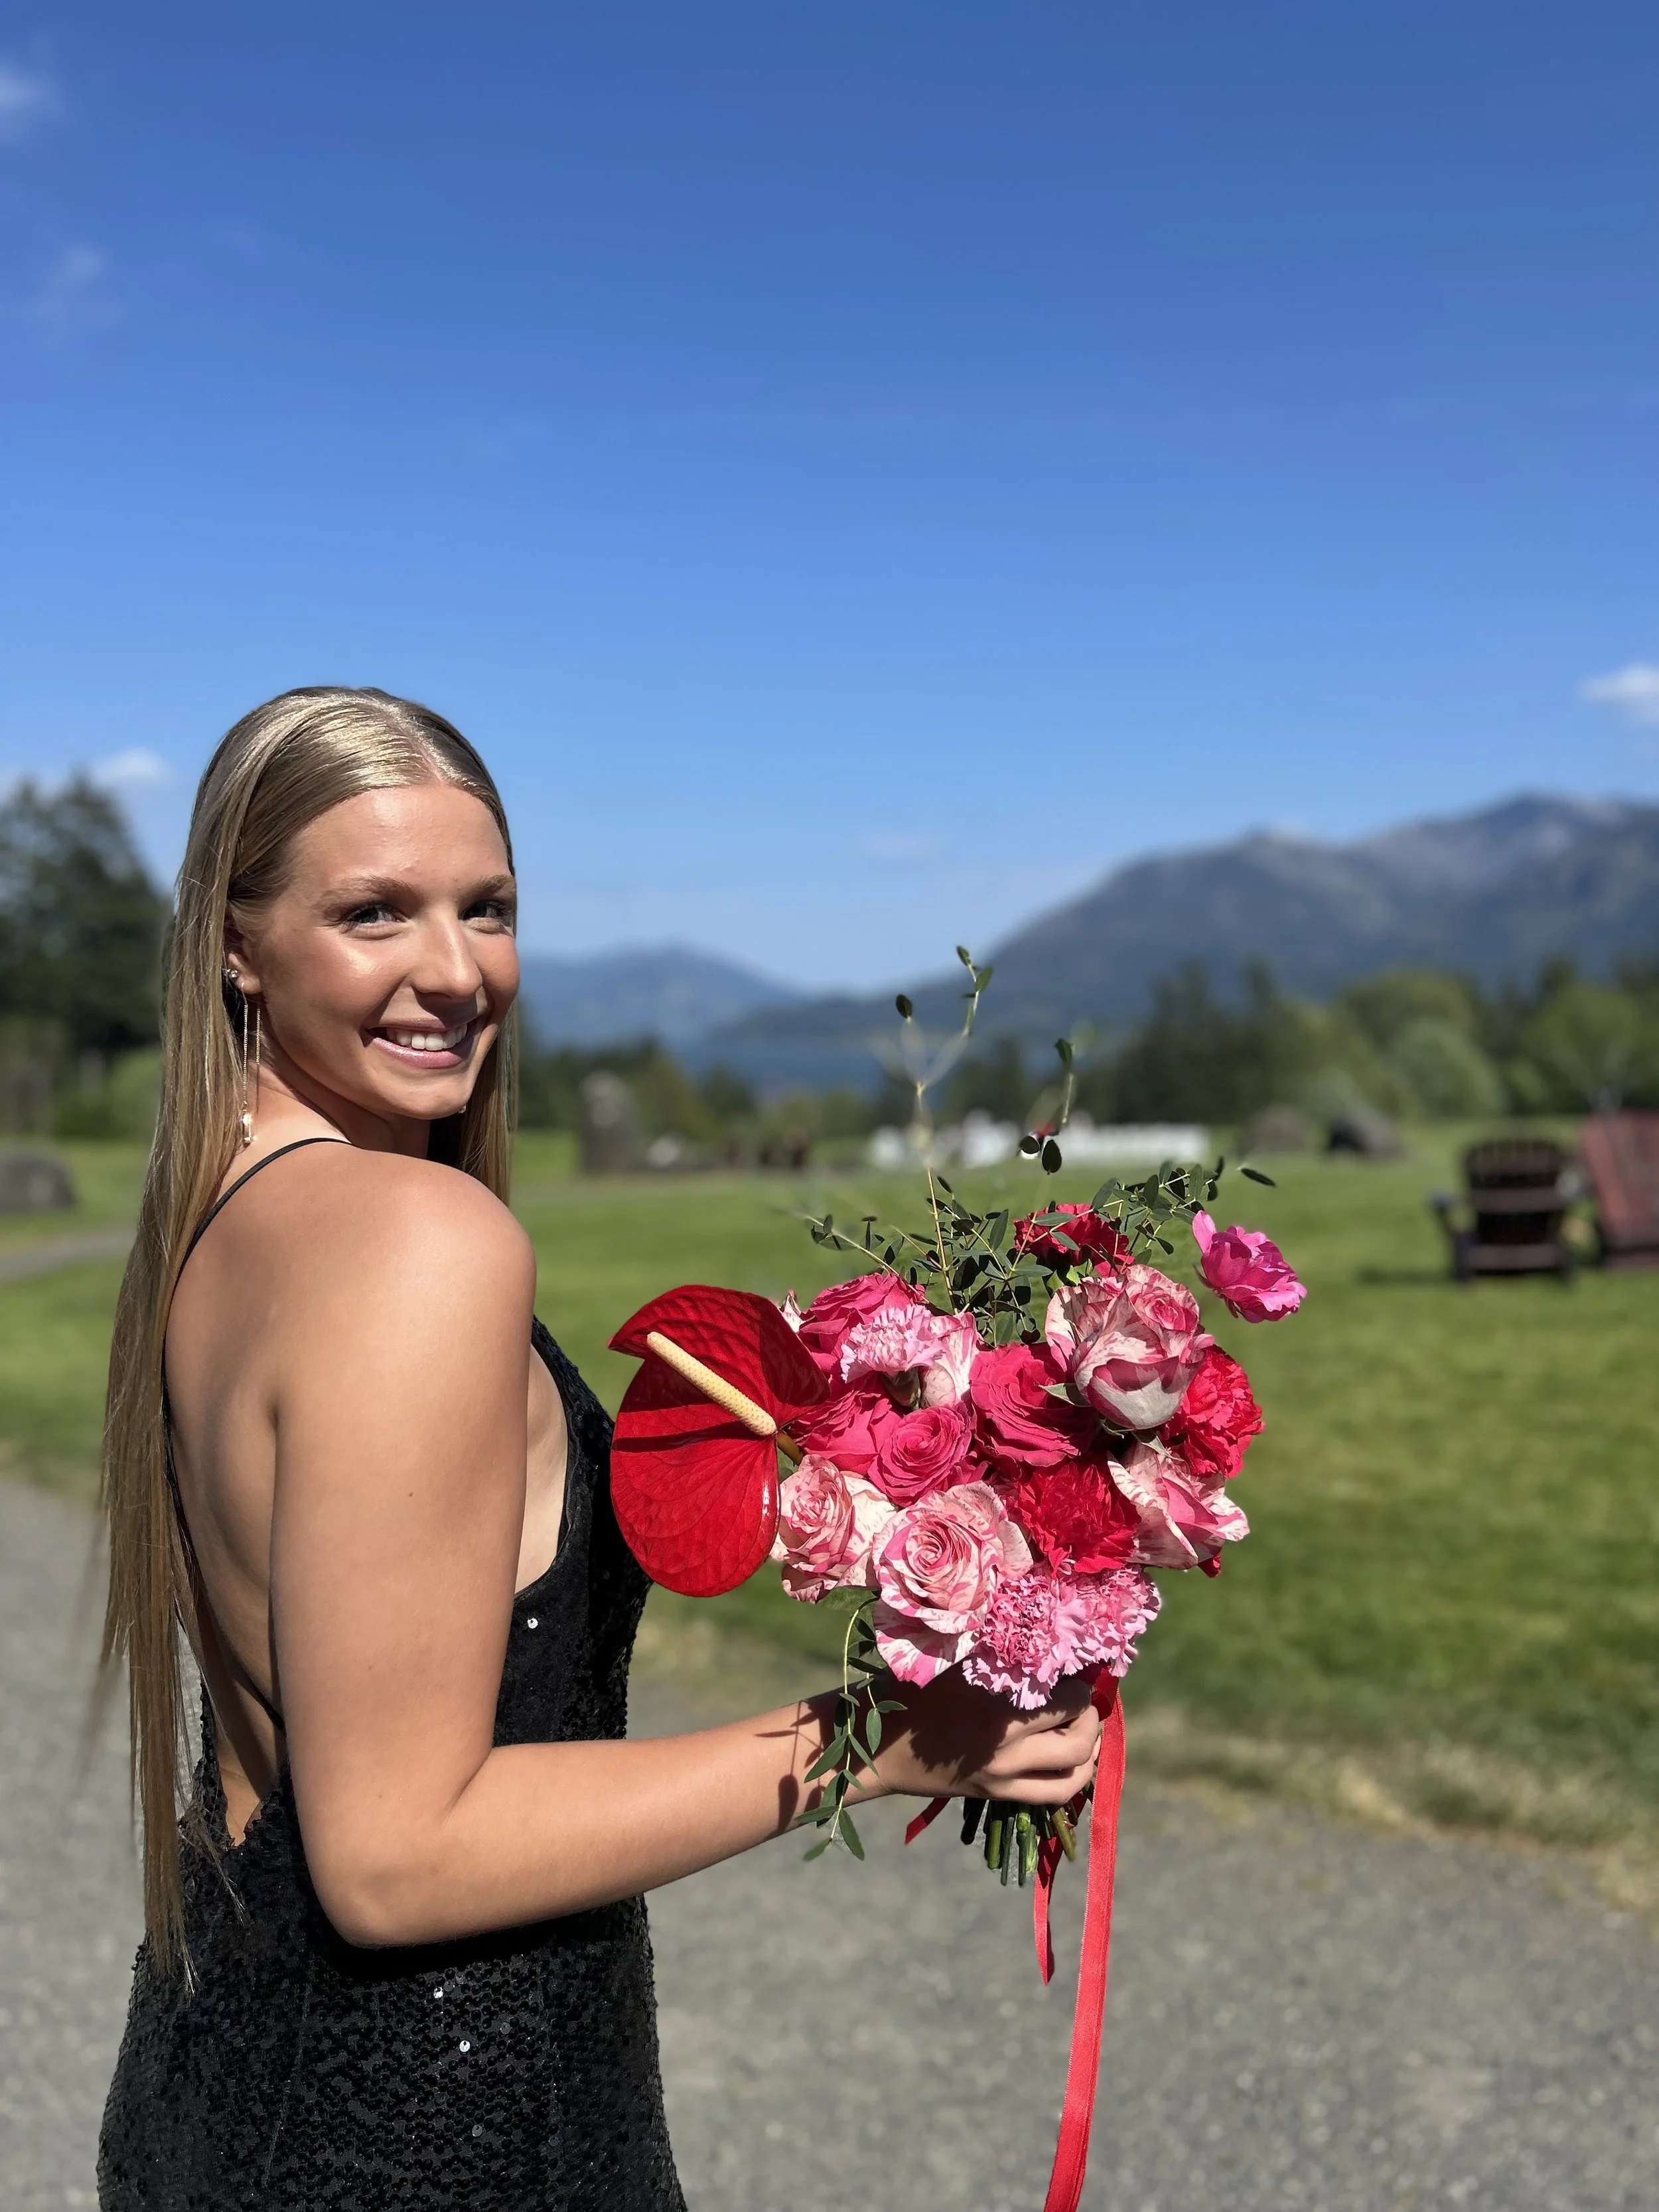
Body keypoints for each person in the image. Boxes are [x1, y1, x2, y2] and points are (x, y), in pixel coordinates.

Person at [96, 688, 1103, 2209]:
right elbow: (393, 1857)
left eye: (486, 907)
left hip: (213, 2082)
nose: (456, 969)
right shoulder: (419, 1240)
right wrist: (879, 1738)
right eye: (374, 912)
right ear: (237, 945)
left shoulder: (219, 1220)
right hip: (438, 2141)